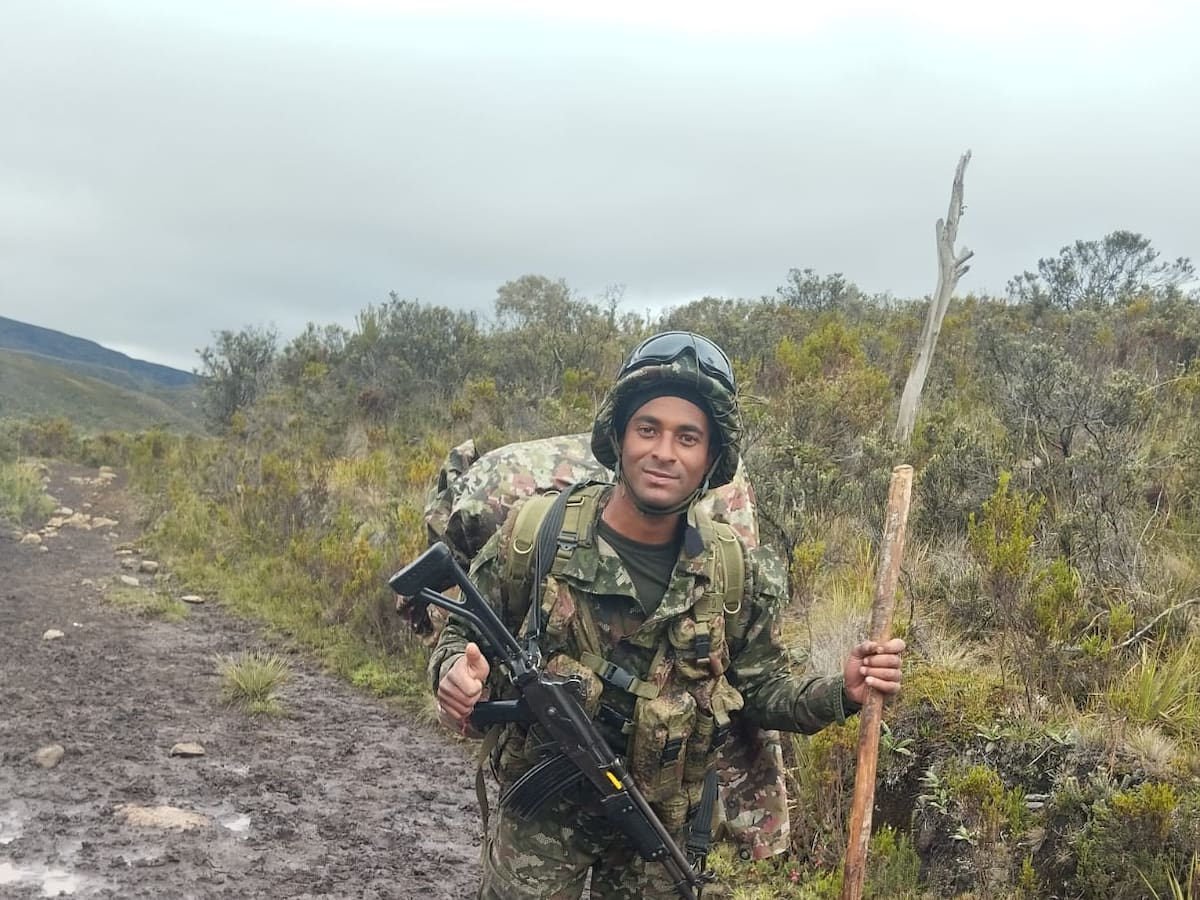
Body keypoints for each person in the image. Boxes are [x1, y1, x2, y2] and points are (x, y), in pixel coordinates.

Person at [430, 331, 905, 900]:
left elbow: (761, 691)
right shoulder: (537, 534)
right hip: (540, 816)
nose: (663, 452)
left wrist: (842, 692)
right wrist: (455, 673)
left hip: (655, 828)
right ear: (619, 436)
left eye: (688, 437)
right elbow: (461, 630)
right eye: (648, 429)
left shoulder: (732, 569)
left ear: (710, 458)